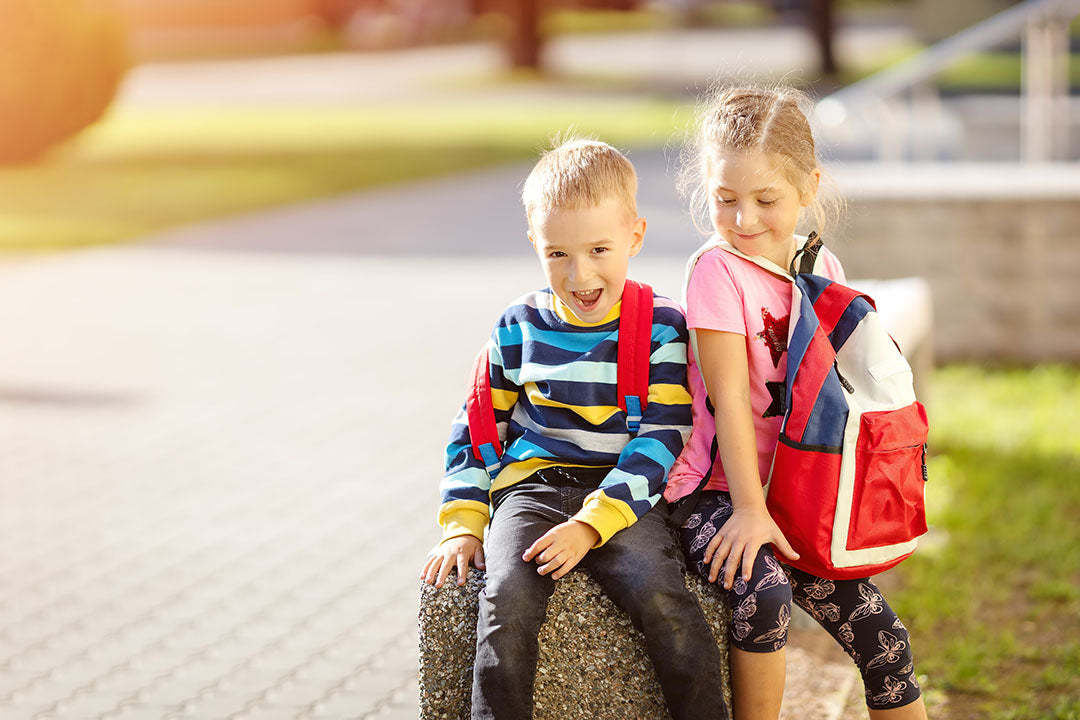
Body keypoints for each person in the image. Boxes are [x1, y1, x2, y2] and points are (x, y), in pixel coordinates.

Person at [421, 138, 729, 720]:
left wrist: (591, 525)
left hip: (624, 495)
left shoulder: (662, 326)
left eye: (599, 249)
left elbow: (662, 437)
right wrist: (462, 526)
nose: (580, 273)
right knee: (504, 599)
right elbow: (477, 426)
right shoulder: (519, 325)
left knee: (663, 598)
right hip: (532, 490)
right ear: (536, 244)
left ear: (635, 237)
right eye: (558, 253)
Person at [666, 86, 929, 720]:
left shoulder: (822, 265)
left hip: (798, 493)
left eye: (766, 200)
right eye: (726, 200)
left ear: (808, 187)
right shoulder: (716, 271)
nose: (745, 220)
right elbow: (729, 399)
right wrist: (751, 512)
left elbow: (840, 394)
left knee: (886, 644)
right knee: (764, 591)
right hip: (721, 490)